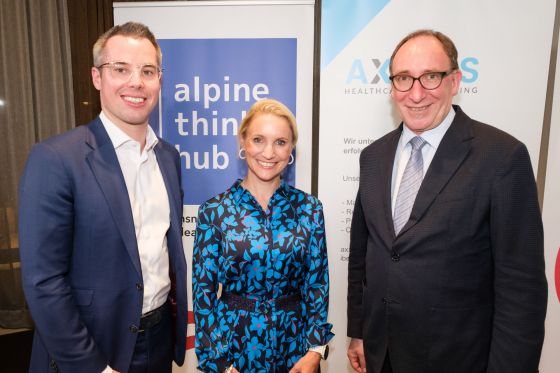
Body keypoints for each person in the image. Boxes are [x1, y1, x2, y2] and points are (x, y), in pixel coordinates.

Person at [346, 29, 547, 373]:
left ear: (455, 81)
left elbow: (521, 289)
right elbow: (363, 255)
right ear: (392, 87)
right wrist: (359, 331)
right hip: (383, 356)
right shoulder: (373, 157)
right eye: (404, 79)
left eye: (431, 77)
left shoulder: (501, 157)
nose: (417, 93)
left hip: (459, 359)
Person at [18, 22, 187, 373]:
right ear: (97, 77)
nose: (136, 82)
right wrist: (93, 367)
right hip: (90, 349)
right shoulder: (56, 158)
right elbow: (44, 282)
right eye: (120, 69)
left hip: (159, 341)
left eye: (147, 71)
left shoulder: (169, 157)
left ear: (160, 79)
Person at [192, 99, 334, 373]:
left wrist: (315, 351)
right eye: (259, 139)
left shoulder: (309, 208)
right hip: (234, 351)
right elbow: (204, 295)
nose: (269, 152)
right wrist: (220, 363)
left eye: (280, 142)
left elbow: (317, 283)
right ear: (243, 142)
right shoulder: (214, 211)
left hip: (296, 350)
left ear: (291, 148)